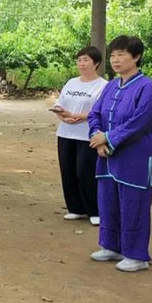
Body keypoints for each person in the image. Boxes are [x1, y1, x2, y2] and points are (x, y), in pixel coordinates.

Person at [88, 36, 152, 272]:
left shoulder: (147, 87)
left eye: (121, 54)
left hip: (136, 158)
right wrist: (97, 137)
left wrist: (109, 138)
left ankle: (137, 254)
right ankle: (111, 245)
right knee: (108, 201)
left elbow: (140, 121)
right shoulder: (110, 86)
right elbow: (95, 113)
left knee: (134, 204)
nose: (116, 60)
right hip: (107, 156)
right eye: (113, 55)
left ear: (136, 57)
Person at [52, 46, 107, 226]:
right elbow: (60, 104)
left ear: (96, 63)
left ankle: (94, 210)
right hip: (66, 132)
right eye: (79, 60)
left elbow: (101, 111)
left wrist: (80, 117)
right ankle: (75, 208)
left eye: (86, 60)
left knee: (85, 172)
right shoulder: (71, 83)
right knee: (67, 171)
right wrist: (62, 115)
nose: (81, 64)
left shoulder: (103, 85)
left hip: (87, 134)